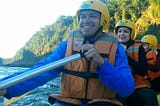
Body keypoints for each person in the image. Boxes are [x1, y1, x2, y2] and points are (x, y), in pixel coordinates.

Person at [0, 0, 135, 106]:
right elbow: (42, 70)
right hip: (68, 102)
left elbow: (126, 88)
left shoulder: (116, 48)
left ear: (103, 20)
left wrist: (101, 62)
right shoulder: (67, 45)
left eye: (92, 16)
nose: (86, 21)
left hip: (102, 103)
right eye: (82, 17)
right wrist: (9, 87)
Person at [115, 20, 159, 106]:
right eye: (119, 31)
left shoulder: (139, 48)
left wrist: (126, 56)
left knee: (150, 95)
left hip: (137, 86)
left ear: (131, 34)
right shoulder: (112, 47)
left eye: (125, 32)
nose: (121, 34)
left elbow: (142, 71)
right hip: (119, 85)